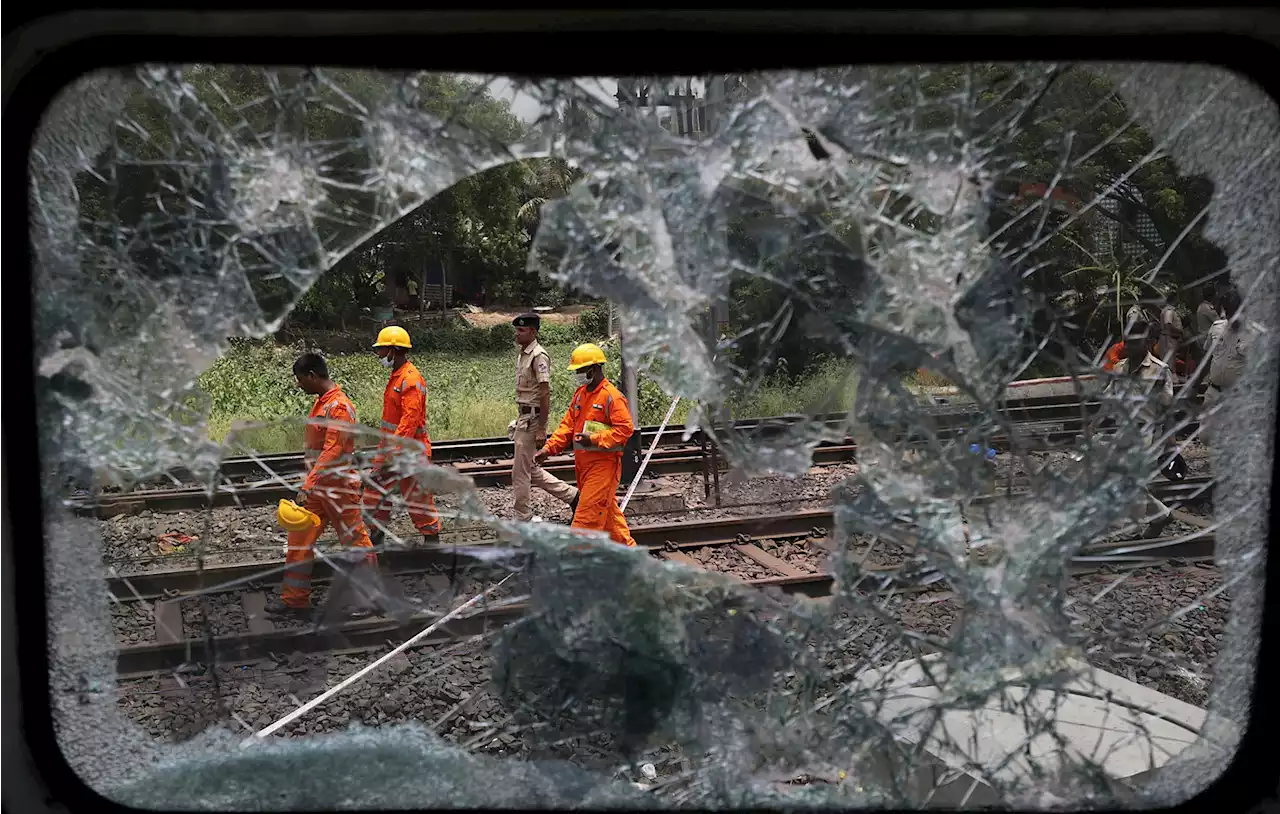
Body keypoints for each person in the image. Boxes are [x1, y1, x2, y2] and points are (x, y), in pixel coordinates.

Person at [268, 353, 378, 618]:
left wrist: (307, 484)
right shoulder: (322, 403)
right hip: (319, 490)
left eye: (300, 379)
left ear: (313, 376)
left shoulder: (338, 407)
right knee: (299, 540)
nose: (299, 385)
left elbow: (332, 450)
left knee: (356, 543)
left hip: (339, 489)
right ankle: (295, 601)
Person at [534, 343, 636, 547]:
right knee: (609, 520)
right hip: (584, 468)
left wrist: (594, 439)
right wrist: (549, 448)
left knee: (585, 521)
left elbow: (625, 430)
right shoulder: (581, 394)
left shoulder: (611, 397)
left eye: (581, 370)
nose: (578, 374)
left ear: (594, 369)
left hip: (603, 468)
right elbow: (568, 426)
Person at [362, 326, 442, 547]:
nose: (378, 354)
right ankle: (376, 536)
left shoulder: (411, 380)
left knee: (417, 498)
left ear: (394, 350)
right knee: (374, 491)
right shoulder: (397, 376)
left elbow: (409, 423)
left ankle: (432, 540)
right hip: (391, 448)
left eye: (382, 350)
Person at [1106, 320, 1175, 538]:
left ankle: (1131, 533)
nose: (1130, 347)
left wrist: (1170, 438)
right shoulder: (1119, 368)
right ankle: (1162, 514)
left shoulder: (1159, 370)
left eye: (1135, 343)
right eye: (1127, 342)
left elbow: (1168, 408)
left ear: (1146, 343)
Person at [510, 313, 579, 523]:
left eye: (522, 330)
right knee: (530, 469)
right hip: (524, 417)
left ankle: (523, 517)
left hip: (532, 420)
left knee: (520, 473)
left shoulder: (539, 356)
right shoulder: (524, 354)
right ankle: (573, 496)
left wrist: (542, 428)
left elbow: (544, 392)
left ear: (533, 331)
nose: (517, 333)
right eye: (517, 330)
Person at [1202, 287, 1255, 445]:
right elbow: (1207, 358)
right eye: (1230, 312)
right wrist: (1194, 385)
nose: (1233, 317)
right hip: (1214, 391)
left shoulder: (1254, 333)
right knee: (1205, 436)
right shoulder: (1217, 327)